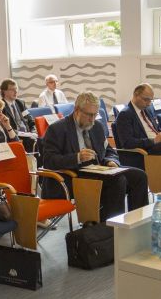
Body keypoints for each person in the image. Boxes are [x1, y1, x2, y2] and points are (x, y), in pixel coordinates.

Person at [42, 92, 148, 221]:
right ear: (77, 110)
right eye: (89, 115)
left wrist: (111, 161)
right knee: (118, 181)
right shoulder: (57, 129)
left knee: (140, 176)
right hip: (72, 175)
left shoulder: (96, 126)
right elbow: (48, 161)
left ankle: (137, 221)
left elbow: (109, 150)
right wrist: (77, 157)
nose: (92, 119)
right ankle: (109, 229)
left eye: (95, 114)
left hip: (99, 170)